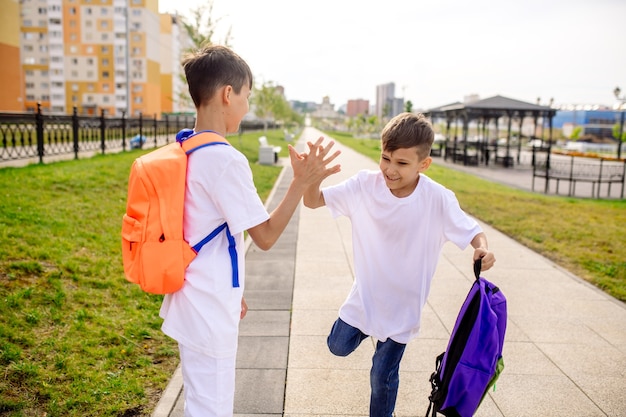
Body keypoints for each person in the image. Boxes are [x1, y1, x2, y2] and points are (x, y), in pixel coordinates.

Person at [158, 44, 341, 417]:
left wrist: (234, 288)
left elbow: (208, 229)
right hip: (208, 307)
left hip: (192, 297)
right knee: (212, 407)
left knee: (200, 401)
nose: (247, 106)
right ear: (228, 94)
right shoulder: (224, 159)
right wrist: (299, 181)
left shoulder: (186, 147)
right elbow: (266, 236)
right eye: (247, 96)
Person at [303, 112, 496, 417]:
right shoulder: (364, 185)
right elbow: (313, 201)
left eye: (402, 163)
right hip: (365, 298)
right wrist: (311, 179)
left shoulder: (437, 199)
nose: (390, 170)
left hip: (403, 308)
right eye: (385, 158)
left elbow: (473, 231)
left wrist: (482, 249)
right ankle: (369, 328)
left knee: (382, 377)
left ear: (424, 164)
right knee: (337, 346)